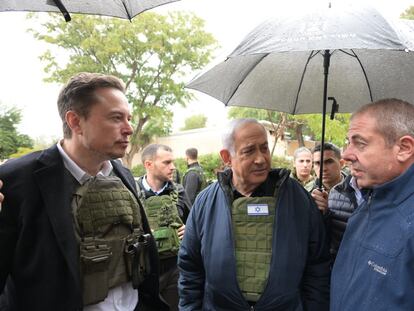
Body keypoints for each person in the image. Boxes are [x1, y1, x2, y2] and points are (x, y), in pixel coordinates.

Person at [0, 73, 167, 311]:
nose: (129, 129)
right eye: (116, 118)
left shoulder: (123, 174)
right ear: (75, 121)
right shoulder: (16, 180)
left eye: (129, 118)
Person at [178, 118, 330, 310]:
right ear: (227, 157)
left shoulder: (298, 199)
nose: (260, 159)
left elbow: (317, 268)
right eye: (249, 151)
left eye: (264, 148)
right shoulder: (205, 203)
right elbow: (190, 269)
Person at [330, 98, 414, 311]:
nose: (347, 154)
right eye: (348, 142)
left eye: (360, 143)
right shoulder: (366, 205)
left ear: (404, 148)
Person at [136, 144, 191, 311]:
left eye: (172, 162)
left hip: (175, 269)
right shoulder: (131, 191)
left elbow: (196, 223)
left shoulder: (179, 191)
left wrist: (189, 229)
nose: (173, 167)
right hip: (144, 270)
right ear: (148, 164)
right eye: (166, 163)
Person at [306, 142, 346, 213]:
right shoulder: (307, 192)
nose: (323, 168)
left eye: (329, 162)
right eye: (317, 163)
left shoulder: (357, 191)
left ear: (341, 163)